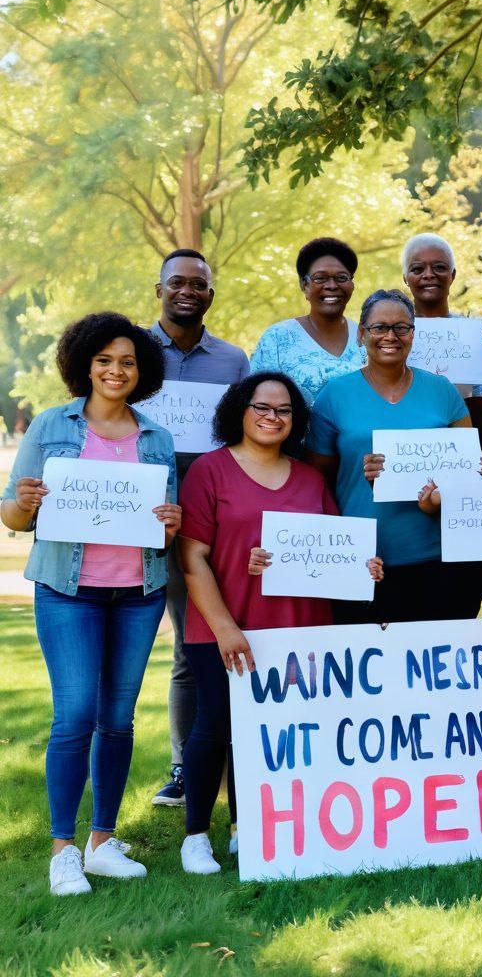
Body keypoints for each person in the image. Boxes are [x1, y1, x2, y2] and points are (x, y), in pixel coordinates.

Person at [1, 313, 180, 896]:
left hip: (137, 592)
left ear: (142, 371)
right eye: (104, 360)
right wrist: (23, 502)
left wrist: (171, 522)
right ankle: (63, 851)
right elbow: (10, 515)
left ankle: (103, 843)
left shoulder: (156, 437)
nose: (115, 370)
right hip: (67, 591)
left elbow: (165, 528)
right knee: (74, 716)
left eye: (127, 361)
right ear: (85, 364)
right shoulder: (53, 426)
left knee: (118, 719)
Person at [175, 371, 382, 874]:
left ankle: (253, 826)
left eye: (284, 410)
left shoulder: (311, 479)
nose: (272, 417)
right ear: (240, 411)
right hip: (226, 624)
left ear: (296, 420)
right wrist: (225, 627)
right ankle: (197, 834)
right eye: (261, 407)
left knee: (279, 732)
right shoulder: (209, 471)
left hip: (300, 627)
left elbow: (333, 548)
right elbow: (193, 558)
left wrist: (364, 568)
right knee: (215, 727)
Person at [307, 289, 482, 623]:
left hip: (441, 558)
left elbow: (469, 475)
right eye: (379, 328)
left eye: (401, 328)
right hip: (365, 561)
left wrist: (481, 469)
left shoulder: (442, 390)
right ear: (361, 334)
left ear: (412, 334)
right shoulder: (335, 395)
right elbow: (318, 481)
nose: (390, 336)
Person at [149, 248, 250, 811]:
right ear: (159, 289)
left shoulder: (233, 361)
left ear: (211, 293)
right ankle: (187, 768)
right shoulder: (132, 353)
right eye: (177, 283)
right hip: (150, 521)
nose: (188, 291)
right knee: (190, 648)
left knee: (230, 637)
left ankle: (245, 760)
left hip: (222, 521)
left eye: (200, 285)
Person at [401, 232, 482, 432]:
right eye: (417, 269)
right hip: (405, 444)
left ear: (453, 275)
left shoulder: (476, 334)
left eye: (439, 267)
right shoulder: (392, 333)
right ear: (405, 278)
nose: (429, 274)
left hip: (463, 443)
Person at [250, 237, 365, 404]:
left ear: (352, 284)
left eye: (341, 278)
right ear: (304, 285)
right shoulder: (277, 339)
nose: (332, 285)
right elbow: (257, 403)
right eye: (320, 278)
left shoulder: (367, 338)